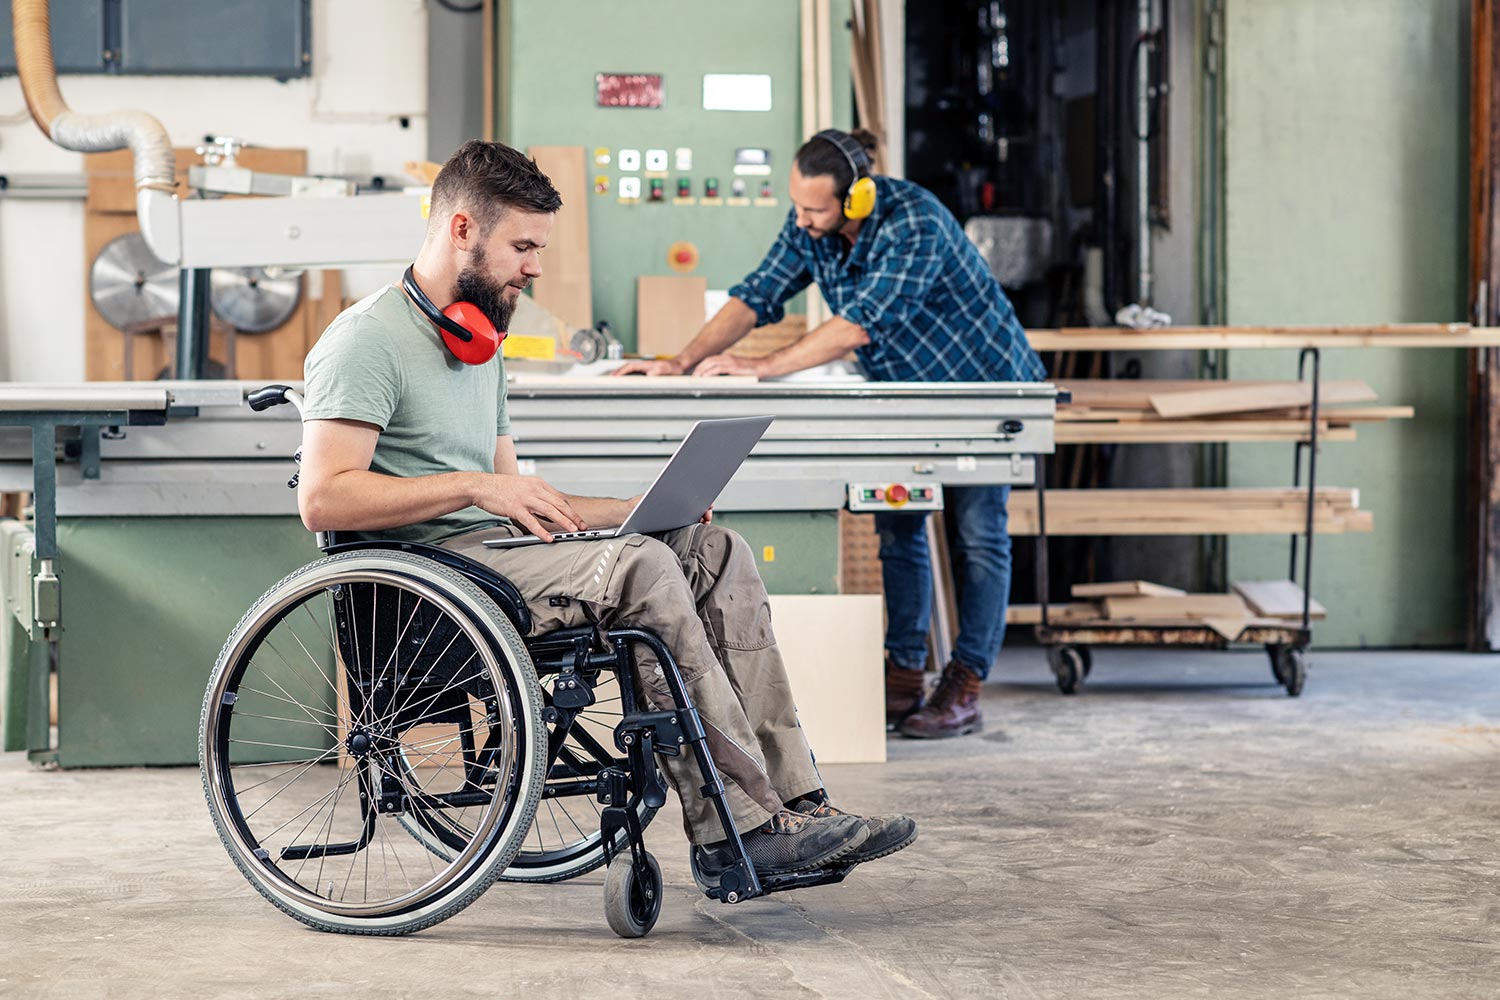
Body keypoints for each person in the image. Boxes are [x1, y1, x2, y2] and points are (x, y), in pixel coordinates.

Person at [296, 139, 916, 885]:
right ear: (461, 228)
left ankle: (800, 803)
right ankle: (736, 832)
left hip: (501, 556)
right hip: (433, 581)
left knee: (713, 552)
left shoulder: (479, 345)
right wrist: (475, 487)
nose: (534, 266)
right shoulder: (367, 339)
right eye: (522, 246)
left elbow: (518, 500)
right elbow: (324, 496)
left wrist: (631, 509)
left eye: (539, 248)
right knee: (646, 569)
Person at [614, 129, 1045, 740]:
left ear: (858, 199)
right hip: (903, 395)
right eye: (797, 205)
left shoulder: (912, 222)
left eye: (815, 209)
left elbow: (856, 326)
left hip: (979, 387)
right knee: (898, 529)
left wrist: (760, 366)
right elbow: (756, 294)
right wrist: (680, 361)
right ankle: (903, 675)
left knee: (978, 535)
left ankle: (965, 683)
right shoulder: (810, 226)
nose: (802, 219)